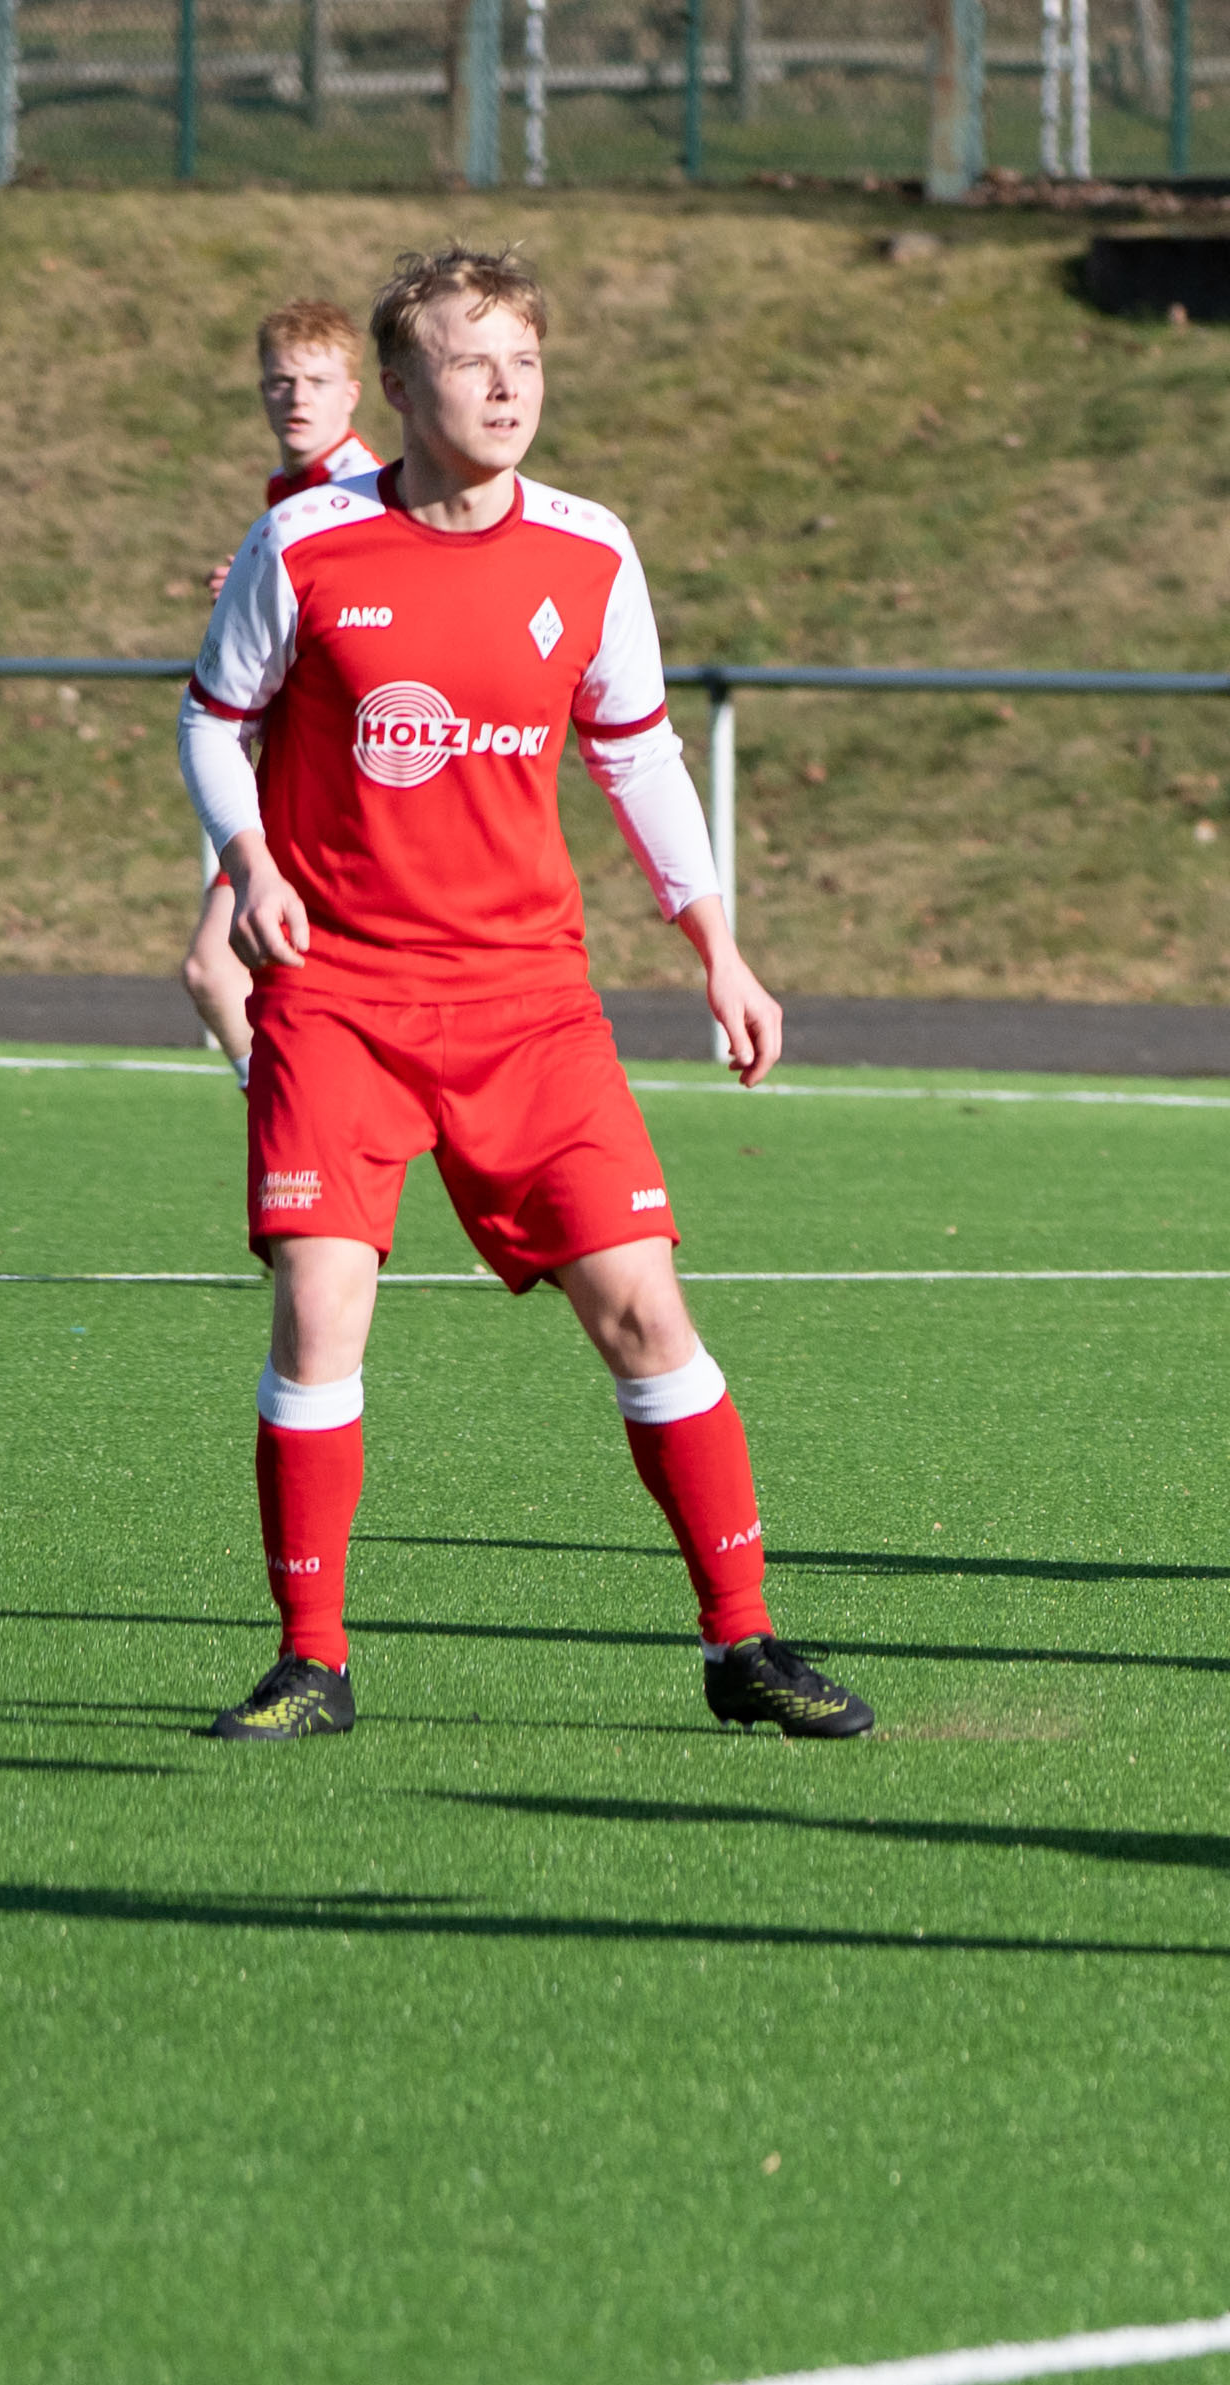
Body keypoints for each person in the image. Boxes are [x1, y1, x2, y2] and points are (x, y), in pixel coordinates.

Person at [176, 246, 867, 1745]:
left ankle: (743, 1642)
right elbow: (213, 721)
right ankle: (310, 1662)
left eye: (526, 362)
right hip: (340, 993)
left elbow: (637, 753)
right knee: (319, 1307)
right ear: (400, 385)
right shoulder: (302, 546)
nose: (506, 389)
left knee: (643, 1308)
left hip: (528, 1003)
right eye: (471, 362)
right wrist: (250, 857)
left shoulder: (590, 550)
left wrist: (719, 947)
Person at [184, 302, 386, 1086]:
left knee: (219, 968)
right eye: (280, 381)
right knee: (239, 973)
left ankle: (296, 1117)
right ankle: (302, 1118)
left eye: (317, 382)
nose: (297, 398)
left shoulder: (360, 493)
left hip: (338, 779)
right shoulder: (293, 490)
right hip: (292, 771)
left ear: (354, 393)